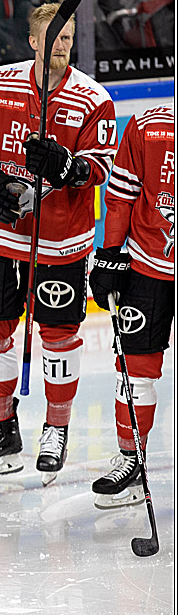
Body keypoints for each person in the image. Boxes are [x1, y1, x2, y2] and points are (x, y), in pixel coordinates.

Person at [0, 3, 117, 482]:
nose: (60, 46)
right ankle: (3, 430)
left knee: (58, 335)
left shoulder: (93, 99)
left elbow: (101, 166)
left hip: (62, 240)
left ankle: (56, 429)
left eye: (66, 38)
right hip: (1, 234)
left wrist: (68, 167)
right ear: (33, 42)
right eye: (51, 38)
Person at [88, 104, 174, 508]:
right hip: (147, 265)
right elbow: (121, 197)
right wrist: (109, 255)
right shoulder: (148, 126)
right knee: (135, 370)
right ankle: (131, 461)